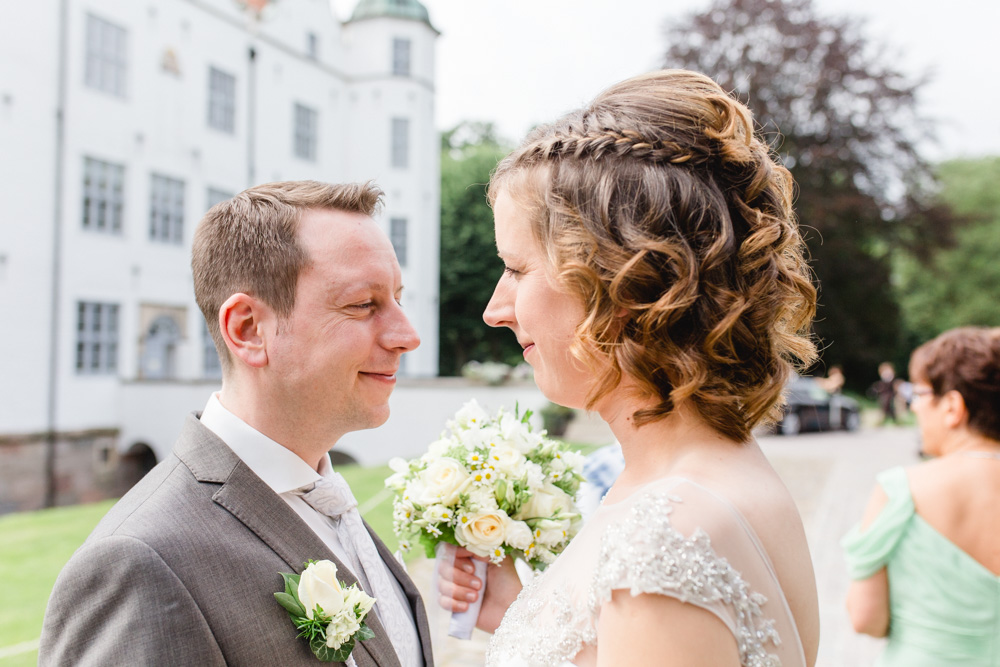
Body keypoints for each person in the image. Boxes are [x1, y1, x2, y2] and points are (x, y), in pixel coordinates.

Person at [437, 69, 820, 666]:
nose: (494, 310)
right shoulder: (714, 477)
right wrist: (526, 618)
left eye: (515, 269)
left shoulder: (662, 539)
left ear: (619, 281)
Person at [40, 181, 434, 666]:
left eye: (397, 298)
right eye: (363, 304)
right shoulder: (140, 563)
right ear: (247, 329)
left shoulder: (326, 499)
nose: (407, 335)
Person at [842, 327, 1000, 666]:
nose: (913, 407)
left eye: (920, 393)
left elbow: (866, 618)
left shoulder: (900, 491)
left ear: (953, 407)